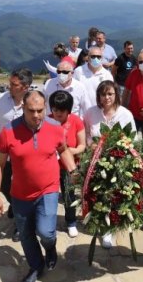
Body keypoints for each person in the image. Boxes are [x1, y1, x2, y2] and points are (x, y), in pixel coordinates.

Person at [0, 91, 78, 282]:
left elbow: (63, 150)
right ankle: (36, 267)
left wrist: (73, 171)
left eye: (40, 110)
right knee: (26, 235)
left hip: (48, 189)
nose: (36, 115)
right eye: (31, 110)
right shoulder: (8, 132)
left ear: (45, 107)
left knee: (46, 232)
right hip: (20, 194)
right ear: (23, 107)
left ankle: (50, 248)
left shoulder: (55, 128)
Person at [83, 80, 136, 248]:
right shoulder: (91, 113)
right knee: (98, 195)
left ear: (116, 95)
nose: (106, 97)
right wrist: (90, 146)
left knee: (114, 195)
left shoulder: (125, 114)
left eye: (110, 94)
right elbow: (85, 134)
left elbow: (132, 139)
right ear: (98, 96)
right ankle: (100, 221)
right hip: (95, 160)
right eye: (103, 94)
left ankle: (110, 229)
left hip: (118, 162)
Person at [0, 68, 33, 242]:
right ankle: (15, 206)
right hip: (5, 154)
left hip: (26, 155)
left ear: (25, 87)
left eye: (14, 84)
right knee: (5, 185)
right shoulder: (1, 100)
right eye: (10, 83)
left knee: (22, 190)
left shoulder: (33, 102)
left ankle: (21, 226)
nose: (9, 87)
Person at [48, 90, 85, 238]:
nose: (57, 113)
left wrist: (71, 151)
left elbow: (82, 145)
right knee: (49, 196)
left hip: (69, 166)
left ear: (68, 109)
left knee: (69, 195)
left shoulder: (76, 121)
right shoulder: (47, 121)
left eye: (61, 110)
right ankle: (48, 221)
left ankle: (71, 222)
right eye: (55, 109)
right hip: (51, 166)